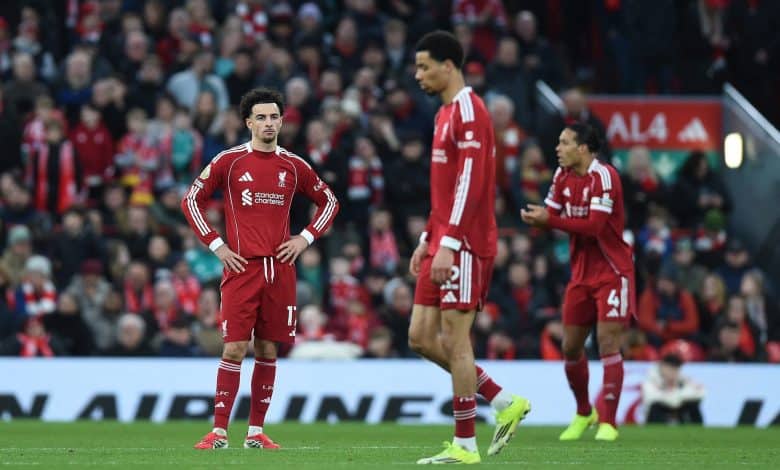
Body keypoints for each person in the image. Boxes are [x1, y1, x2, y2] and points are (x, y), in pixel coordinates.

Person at [182, 87, 339, 450]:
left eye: (274, 117)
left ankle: (255, 432)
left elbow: (329, 201)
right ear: (248, 122)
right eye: (261, 117)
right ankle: (219, 431)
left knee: (268, 349)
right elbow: (191, 200)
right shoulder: (230, 161)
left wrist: (305, 238)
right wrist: (217, 246)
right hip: (241, 268)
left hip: (280, 270)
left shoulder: (293, 165)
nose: (268, 123)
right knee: (235, 348)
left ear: (281, 121)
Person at [409, 31, 531, 465]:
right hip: (443, 239)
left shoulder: (470, 112)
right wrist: (427, 238)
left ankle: (464, 444)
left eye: (424, 66)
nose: (418, 74)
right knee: (420, 338)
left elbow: (472, 185)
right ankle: (502, 402)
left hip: (466, 243)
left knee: (455, 340)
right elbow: (444, 190)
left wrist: (450, 244)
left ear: (449, 65)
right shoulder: (445, 114)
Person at [521, 122, 635, 442]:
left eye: (564, 142)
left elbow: (595, 227)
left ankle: (609, 422)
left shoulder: (605, 176)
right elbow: (552, 215)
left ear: (582, 148)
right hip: (581, 275)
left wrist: (549, 220)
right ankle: (585, 411)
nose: (557, 148)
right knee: (570, 348)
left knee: (608, 343)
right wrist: (537, 219)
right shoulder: (561, 176)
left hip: (613, 271)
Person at [641, 354, 704, 424]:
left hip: (679, 411)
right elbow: (651, 399)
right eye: (671, 369)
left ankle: (698, 431)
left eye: (676, 369)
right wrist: (675, 395)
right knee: (656, 407)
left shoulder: (682, 379)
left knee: (693, 406)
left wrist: (676, 388)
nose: (673, 372)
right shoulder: (651, 380)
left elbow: (700, 393)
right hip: (659, 414)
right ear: (662, 366)